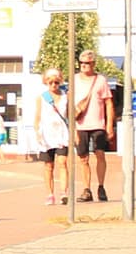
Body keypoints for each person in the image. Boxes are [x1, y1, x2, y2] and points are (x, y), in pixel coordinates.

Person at [71, 49, 118, 202]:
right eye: (82, 63)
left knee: (100, 154)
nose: (85, 66)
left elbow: (108, 103)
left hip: (98, 124)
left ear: (93, 64)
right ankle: (86, 189)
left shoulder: (100, 80)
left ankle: (101, 186)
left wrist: (109, 125)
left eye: (88, 63)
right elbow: (70, 104)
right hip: (80, 125)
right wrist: (71, 128)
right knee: (83, 158)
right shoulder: (74, 80)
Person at [35, 70, 74, 204]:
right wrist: (37, 133)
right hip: (46, 135)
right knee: (48, 165)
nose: (53, 85)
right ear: (46, 82)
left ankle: (64, 192)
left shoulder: (65, 96)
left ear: (60, 82)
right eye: (50, 82)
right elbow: (38, 117)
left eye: (56, 82)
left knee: (62, 162)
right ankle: (50, 194)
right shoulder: (42, 97)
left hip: (62, 134)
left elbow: (69, 115)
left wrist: (73, 132)